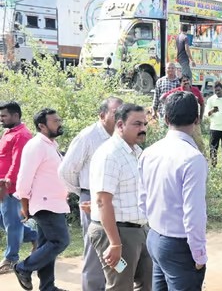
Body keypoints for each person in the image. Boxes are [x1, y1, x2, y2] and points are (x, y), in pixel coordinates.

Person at [139, 91, 208, 290]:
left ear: (166, 118)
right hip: (179, 245)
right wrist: (199, 253)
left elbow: (142, 198)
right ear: (197, 120)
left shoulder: (149, 152)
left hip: (155, 236)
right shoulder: (193, 158)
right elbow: (194, 214)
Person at [58, 96, 123, 291]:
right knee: (96, 251)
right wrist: (84, 193)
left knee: (117, 246)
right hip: (93, 200)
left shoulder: (122, 136)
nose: (120, 116)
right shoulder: (88, 137)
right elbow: (65, 171)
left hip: (117, 200)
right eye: (115, 113)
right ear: (102, 115)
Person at [87, 103, 151, 291]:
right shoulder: (110, 154)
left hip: (139, 230)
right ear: (121, 125)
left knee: (148, 284)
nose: (143, 129)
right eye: (137, 124)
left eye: (145, 124)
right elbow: (102, 201)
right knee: (120, 287)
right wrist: (115, 243)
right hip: (117, 233)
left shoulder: (136, 152)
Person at [13, 108, 70, 291]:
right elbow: (24, 178)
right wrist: (24, 205)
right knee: (60, 241)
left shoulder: (50, 145)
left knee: (47, 245)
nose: (59, 122)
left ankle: (47, 286)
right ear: (42, 126)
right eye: (55, 121)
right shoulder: (36, 145)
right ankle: (23, 267)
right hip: (45, 204)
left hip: (55, 203)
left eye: (59, 119)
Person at [0, 101, 37, 274]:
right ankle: (35, 236)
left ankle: (11, 258)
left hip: (11, 187)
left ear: (16, 115)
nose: (1, 119)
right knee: (8, 222)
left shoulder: (22, 135)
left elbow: (18, 162)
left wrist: (8, 182)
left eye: (4, 116)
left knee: (12, 223)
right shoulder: (8, 131)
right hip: (2, 183)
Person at [161, 75, 206, 153]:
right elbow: (163, 98)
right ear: (180, 83)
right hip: (180, 121)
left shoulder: (195, 90)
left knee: (199, 142)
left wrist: (201, 118)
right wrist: (170, 109)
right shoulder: (177, 91)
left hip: (194, 121)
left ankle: (203, 159)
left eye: (187, 80)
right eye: (184, 81)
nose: (186, 82)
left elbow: (202, 104)